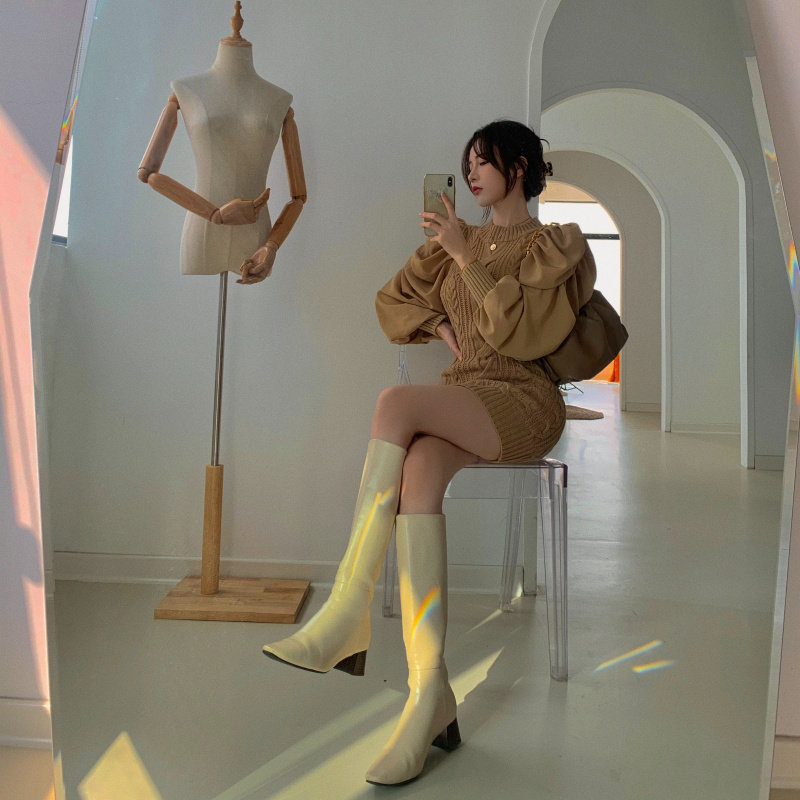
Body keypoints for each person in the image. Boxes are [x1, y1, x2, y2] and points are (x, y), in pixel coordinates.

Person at [262, 120, 596, 785]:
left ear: (519, 168)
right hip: (468, 393)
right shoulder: (450, 241)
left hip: (525, 400)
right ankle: (429, 694)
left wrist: (466, 257)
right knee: (417, 469)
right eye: (466, 163)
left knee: (394, 403)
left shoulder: (553, 245)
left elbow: (520, 334)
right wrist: (444, 324)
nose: (470, 173)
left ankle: (346, 612)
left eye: (483, 162)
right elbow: (391, 303)